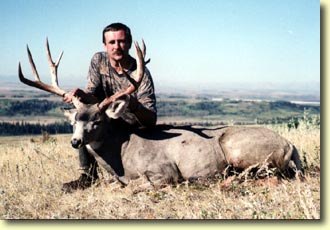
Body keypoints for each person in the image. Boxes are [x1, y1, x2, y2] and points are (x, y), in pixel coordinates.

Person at [62, 23, 157, 192]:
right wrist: (81, 95)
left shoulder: (140, 73)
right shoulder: (99, 60)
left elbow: (151, 119)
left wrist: (132, 104)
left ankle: (130, 175)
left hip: (133, 126)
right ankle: (88, 176)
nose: (116, 46)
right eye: (111, 42)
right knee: (84, 119)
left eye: (121, 41)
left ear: (128, 43)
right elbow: (92, 95)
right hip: (106, 120)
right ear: (105, 45)